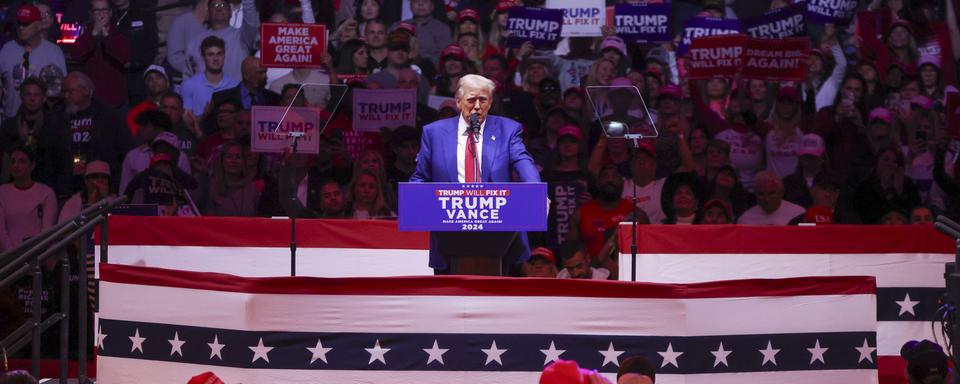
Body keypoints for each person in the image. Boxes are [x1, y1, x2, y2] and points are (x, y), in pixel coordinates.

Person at [409, 74, 540, 274]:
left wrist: (535, 192)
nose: (477, 106)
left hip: (499, 229)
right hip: (449, 230)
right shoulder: (434, 133)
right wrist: (414, 199)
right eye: (471, 100)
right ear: (458, 101)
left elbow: (523, 161)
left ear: (491, 102)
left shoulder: (508, 130)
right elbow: (420, 177)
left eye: (483, 100)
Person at [1, 4, 67, 119]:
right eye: (19, 23)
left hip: (44, 123)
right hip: (11, 120)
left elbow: (62, 90)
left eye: (26, 24)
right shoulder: (6, 50)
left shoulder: (54, 52)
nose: (21, 27)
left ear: (39, 25)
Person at [70, 0, 130, 108]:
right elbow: (76, 55)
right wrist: (93, 35)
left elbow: (124, 57)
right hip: (90, 101)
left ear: (110, 12)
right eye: (97, 10)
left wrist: (106, 36)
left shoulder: (119, 34)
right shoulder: (86, 35)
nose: (101, 13)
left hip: (116, 100)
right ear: (91, 14)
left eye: (104, 10)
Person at [0, 145, 57, 251]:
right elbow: (1, 232)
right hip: (7, 258)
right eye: (13, 161)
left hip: (37, 255)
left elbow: (46, 231)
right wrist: (12, 255)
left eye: (21, 161)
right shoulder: (2, 192)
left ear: (32, 165)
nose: (16, 165)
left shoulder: (46, 193)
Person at [185, 0, 260, 80]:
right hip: (203, 91)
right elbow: (187, 76)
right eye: (215, 6)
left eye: (223, 5)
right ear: (208, 13)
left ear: (230, 12)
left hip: (234, 91)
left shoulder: (242, 37)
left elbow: (251, 22)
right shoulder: (194, 43)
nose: (219, 8)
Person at [119, 111, 192, 192]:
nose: (139, 129)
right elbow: (124, 193)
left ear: (160, 129)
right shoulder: (132, 156)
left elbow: (188, 192)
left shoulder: (181, 157)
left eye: (146, 126)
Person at [181, 36, 240, 118]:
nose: (215, 58)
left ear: (224, 56)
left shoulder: (235, 85)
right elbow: (187, 119)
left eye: (219, 54)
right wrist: (206, 116)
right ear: (203, 57)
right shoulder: (189, 85)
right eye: (210, 54)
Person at [203, 141, 259, 216]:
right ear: (222, 161)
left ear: (243, 162)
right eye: (229, 156)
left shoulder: (253, 188)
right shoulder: (212, 187)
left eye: (238, 157)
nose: (234, 161)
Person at [737, 171, 806, 225]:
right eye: (761, 194)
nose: (766, 199)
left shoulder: (798, 214)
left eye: (771, 193)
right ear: (755, 195)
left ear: (781, 193)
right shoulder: (745, 220)